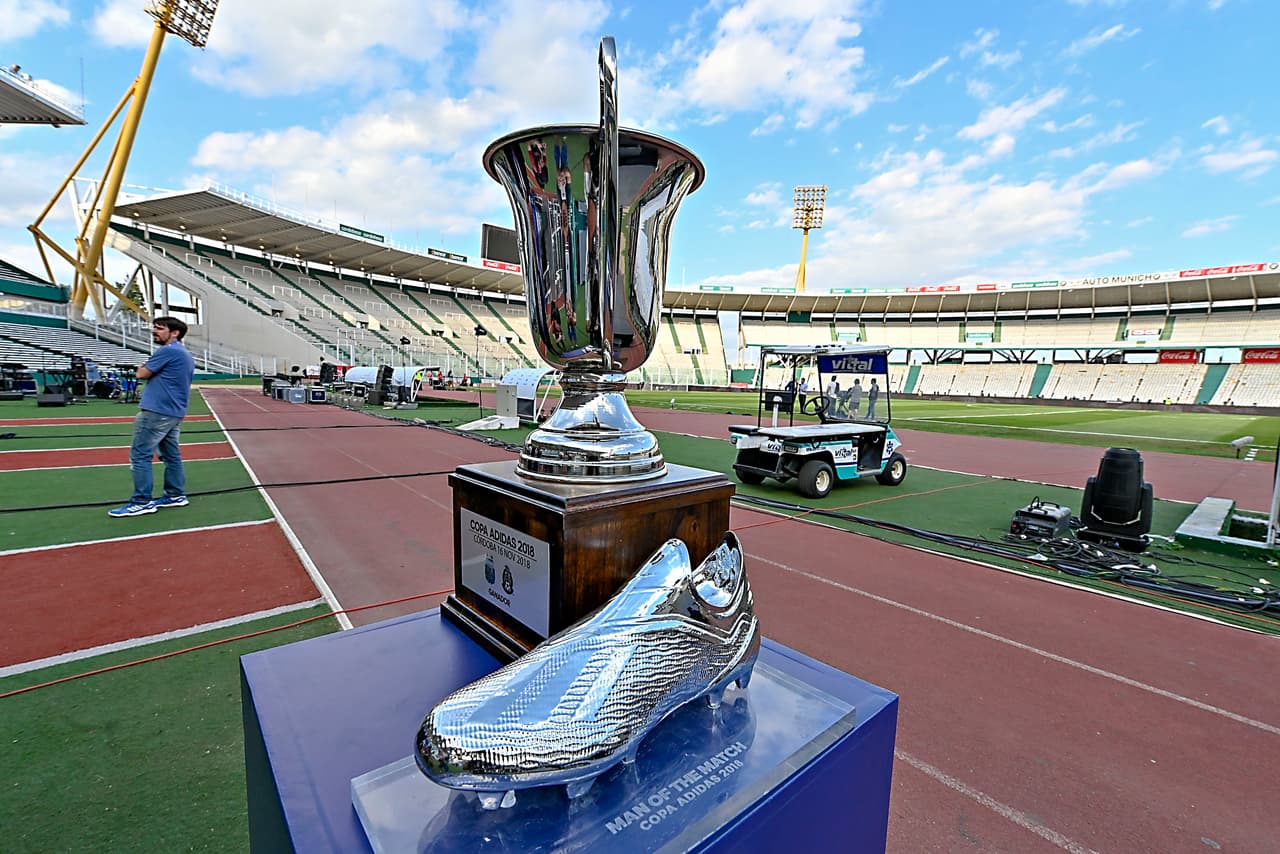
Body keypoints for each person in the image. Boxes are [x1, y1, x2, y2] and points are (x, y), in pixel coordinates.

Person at [109, 317, 196, 517]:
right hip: (173, 411)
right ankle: (175, 495)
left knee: (140, 455)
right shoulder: (183, 353)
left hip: (157, 411)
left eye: (160, 328)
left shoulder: (167, 351)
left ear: (174, 333)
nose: (154, 331)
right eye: (154, 327)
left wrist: (143, 367)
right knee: (171, 455)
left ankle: (142, 501)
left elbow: (141, 374)